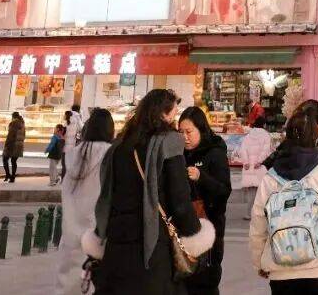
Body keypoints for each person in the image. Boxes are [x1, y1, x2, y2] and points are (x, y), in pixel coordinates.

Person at [84, 87, 214, 295]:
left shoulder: (120, 145)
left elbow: (107, 195)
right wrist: (195, 235)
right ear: (163, 114)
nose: (174, 120)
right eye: (173, 114)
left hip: (116, 243)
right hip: (152, 248)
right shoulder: (168, 142)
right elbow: (180, 201)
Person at [249, 103, 318, 293]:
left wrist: (259, 260)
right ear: (315, 136)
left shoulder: (271, 177)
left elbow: (259, 221)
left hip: (281, 267)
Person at [57, 108, 115, 295]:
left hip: (70, 233)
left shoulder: (73, 155)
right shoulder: (111, 155)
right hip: (97, 235)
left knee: (68, 285)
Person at [179, 105, 231, 295]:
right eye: (181, 132)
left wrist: (201, 177)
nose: (184, 137)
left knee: (205, 282)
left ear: (201, 129)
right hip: (183, 231)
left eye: (189, 132)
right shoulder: (179, 154)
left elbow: (224, 191)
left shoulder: (215, 153)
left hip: (209, 231)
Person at [2, 110, 25, 183]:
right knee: (14, 161)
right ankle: (13, 177)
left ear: (13, 117)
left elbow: (10, 135)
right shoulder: (22, 124)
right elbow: (24, 135)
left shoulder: (13, 123)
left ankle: (7, 174)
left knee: (5, 159)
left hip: (12, 144)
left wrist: (7, 144)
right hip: (19, 145)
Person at [46, 122, 67, 187]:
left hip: (53, 154)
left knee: (52, 168)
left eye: (55, 128)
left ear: (58, 129)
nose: (54, 130)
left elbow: (51, 144)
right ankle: (57, 177)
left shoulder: (55, 137)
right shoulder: (63, 138)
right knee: (54, 167)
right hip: (59, 155)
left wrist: (47, 150)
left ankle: (52, 181)